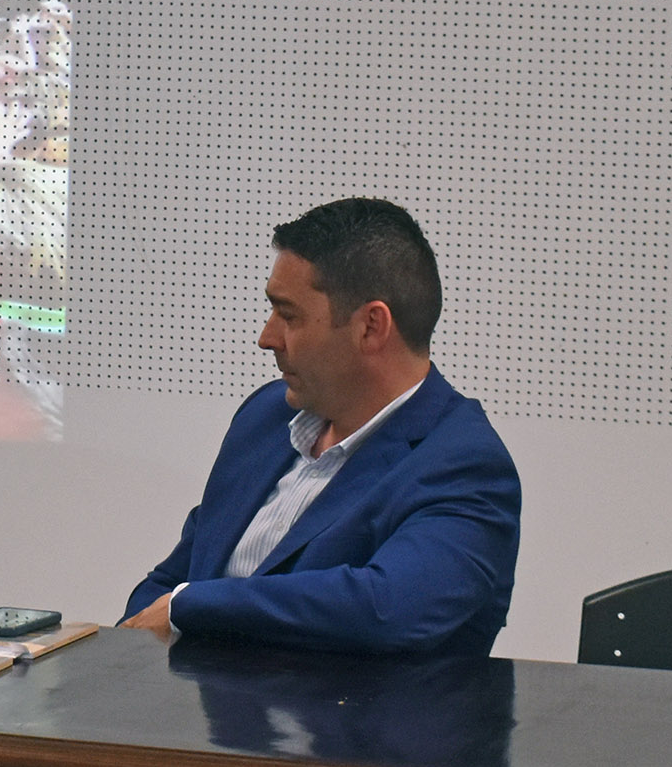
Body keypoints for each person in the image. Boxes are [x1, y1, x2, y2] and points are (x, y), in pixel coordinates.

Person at [122, 198, 520, 654]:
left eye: (288, 315)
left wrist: (189, 607)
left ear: (371, 326)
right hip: (204, 718)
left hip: (357, 724)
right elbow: (176, 576)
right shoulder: (265, 418)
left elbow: (387, 607)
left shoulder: (464, 464)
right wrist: (125, 648)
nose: (267, 338)